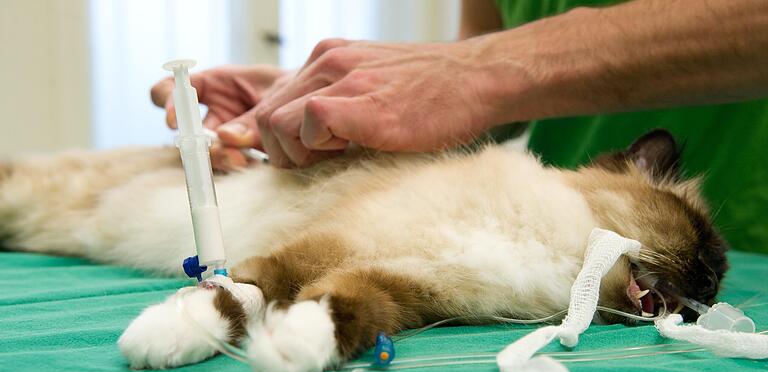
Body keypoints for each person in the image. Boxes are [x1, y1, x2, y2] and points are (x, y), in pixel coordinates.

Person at [151, 0, 768, 253]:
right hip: (567, 253)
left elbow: (488, 67)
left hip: (734, 252)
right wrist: (334, 101)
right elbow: (483, 81)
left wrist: (485, 69)